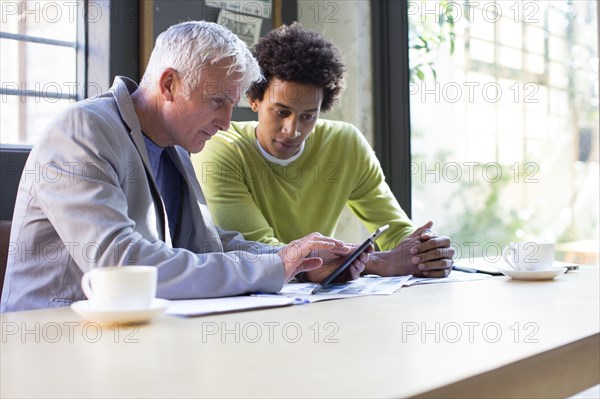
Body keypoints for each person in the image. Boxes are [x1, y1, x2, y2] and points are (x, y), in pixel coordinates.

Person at [0, 21, 368, 312]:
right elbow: (122, 264)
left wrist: (296, 259)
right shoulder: (82, 130)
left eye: (232, 105)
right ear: (170, 84)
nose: (226, 122)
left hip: (131, 336)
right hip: (51, 346)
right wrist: (275, 267)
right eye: (217, 102)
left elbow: (204, 244)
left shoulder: (174, 146)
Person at [192, 23, 454, 281]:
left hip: (319, 301)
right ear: (254, 99)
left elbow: (395, 231)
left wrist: (424, 251)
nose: (293, 130)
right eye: (281, 112)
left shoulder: (345, 144)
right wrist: (379, 262)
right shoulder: (219, 148)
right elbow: (262, 253)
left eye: (308, 116)